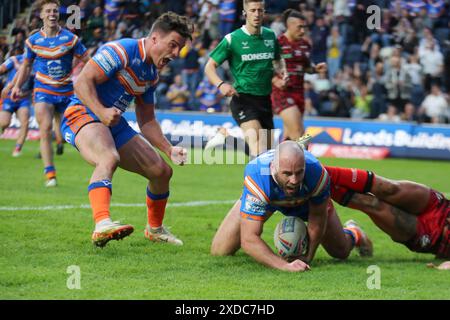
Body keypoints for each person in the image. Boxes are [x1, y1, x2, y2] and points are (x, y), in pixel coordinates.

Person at [60, 12, 193, 248]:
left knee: (162, 172)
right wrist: (101, 111)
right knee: (108, 157)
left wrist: (168, 148)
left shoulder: (151, 74)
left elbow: (148, 121)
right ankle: (102, 224)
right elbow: (81, 82)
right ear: (154, 39)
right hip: (83, 113)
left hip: (112, 122)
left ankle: (154, 229)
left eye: (179, 48)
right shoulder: (122, 50)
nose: (175, 54)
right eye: (172, 45)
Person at [210, 141, 373, 272]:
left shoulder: (317, 173)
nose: (294, 180)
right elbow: (249, 239)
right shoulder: (257, 176)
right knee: (220, 250)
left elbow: (317, 217)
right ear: (274, 168)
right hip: (267, 200)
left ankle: (354, 233)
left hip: (306, 203)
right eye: (287, 173)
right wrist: (284, 266)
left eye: (299, 172)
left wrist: (308, 256)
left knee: (341, 252)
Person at [11, 0, 90, 187]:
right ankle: (50, 175)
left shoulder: (70, 39)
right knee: (45, 128)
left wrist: (86, 79)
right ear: (41, 15)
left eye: (55, 10)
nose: (52, 14)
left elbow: (88, 60)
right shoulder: (33, 41)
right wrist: (16, 86)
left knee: (78, 132)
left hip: (67, 91)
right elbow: (26, 65)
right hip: (43, 90)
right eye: (48, 11)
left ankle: (98, 162)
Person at [204, 0, 287, 159]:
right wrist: (221, 84)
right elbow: (209, 66)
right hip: (243, 98)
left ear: (264, 12)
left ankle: (227, 140)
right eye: (253, 10)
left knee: (267, 154)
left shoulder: (270, 36)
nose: (257, 14)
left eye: (260, 10)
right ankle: (252, 184)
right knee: (257, 145)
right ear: (245, 13)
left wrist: (281, 73)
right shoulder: (232, 39)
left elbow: (277, 60)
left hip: (264, 100)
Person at [325, 165, 450, 260]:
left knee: (369, 203)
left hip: (434, 237)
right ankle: (320, 170)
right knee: (390, 189)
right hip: (441, 208)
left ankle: (356, 234)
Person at [271, 9, 327, 141]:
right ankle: (308, 161)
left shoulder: (305, 45)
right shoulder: (276, 44)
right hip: (282, 93)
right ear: (289, 26)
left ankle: (277, 161)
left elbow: (306, 68)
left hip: (299, 93)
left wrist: (315, 69)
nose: (303, 31)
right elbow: (263, 67)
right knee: (300, 135)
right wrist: (275, 81)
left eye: (304, 27)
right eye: (299, 27)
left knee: (289, 137)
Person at [0, 47, 33, 157]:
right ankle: (3, 129)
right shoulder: (14, 60)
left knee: (25, 122)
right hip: (9, 97)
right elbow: (2, 68)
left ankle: (18, 148)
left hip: (23, 98)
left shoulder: (38, 64)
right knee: (4, 123)